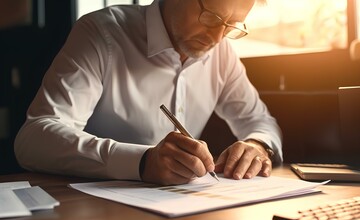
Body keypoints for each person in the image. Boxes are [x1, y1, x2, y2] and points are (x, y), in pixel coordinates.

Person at [14, 0, 282, 185]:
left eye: (232, 25)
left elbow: (260, 122)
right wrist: (142, 162)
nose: (216, 37)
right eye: (212, 16)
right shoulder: (102, 34)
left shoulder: (221, 54)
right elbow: (34, 139)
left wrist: (257, 146)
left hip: (184, 210)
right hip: (94, 211)